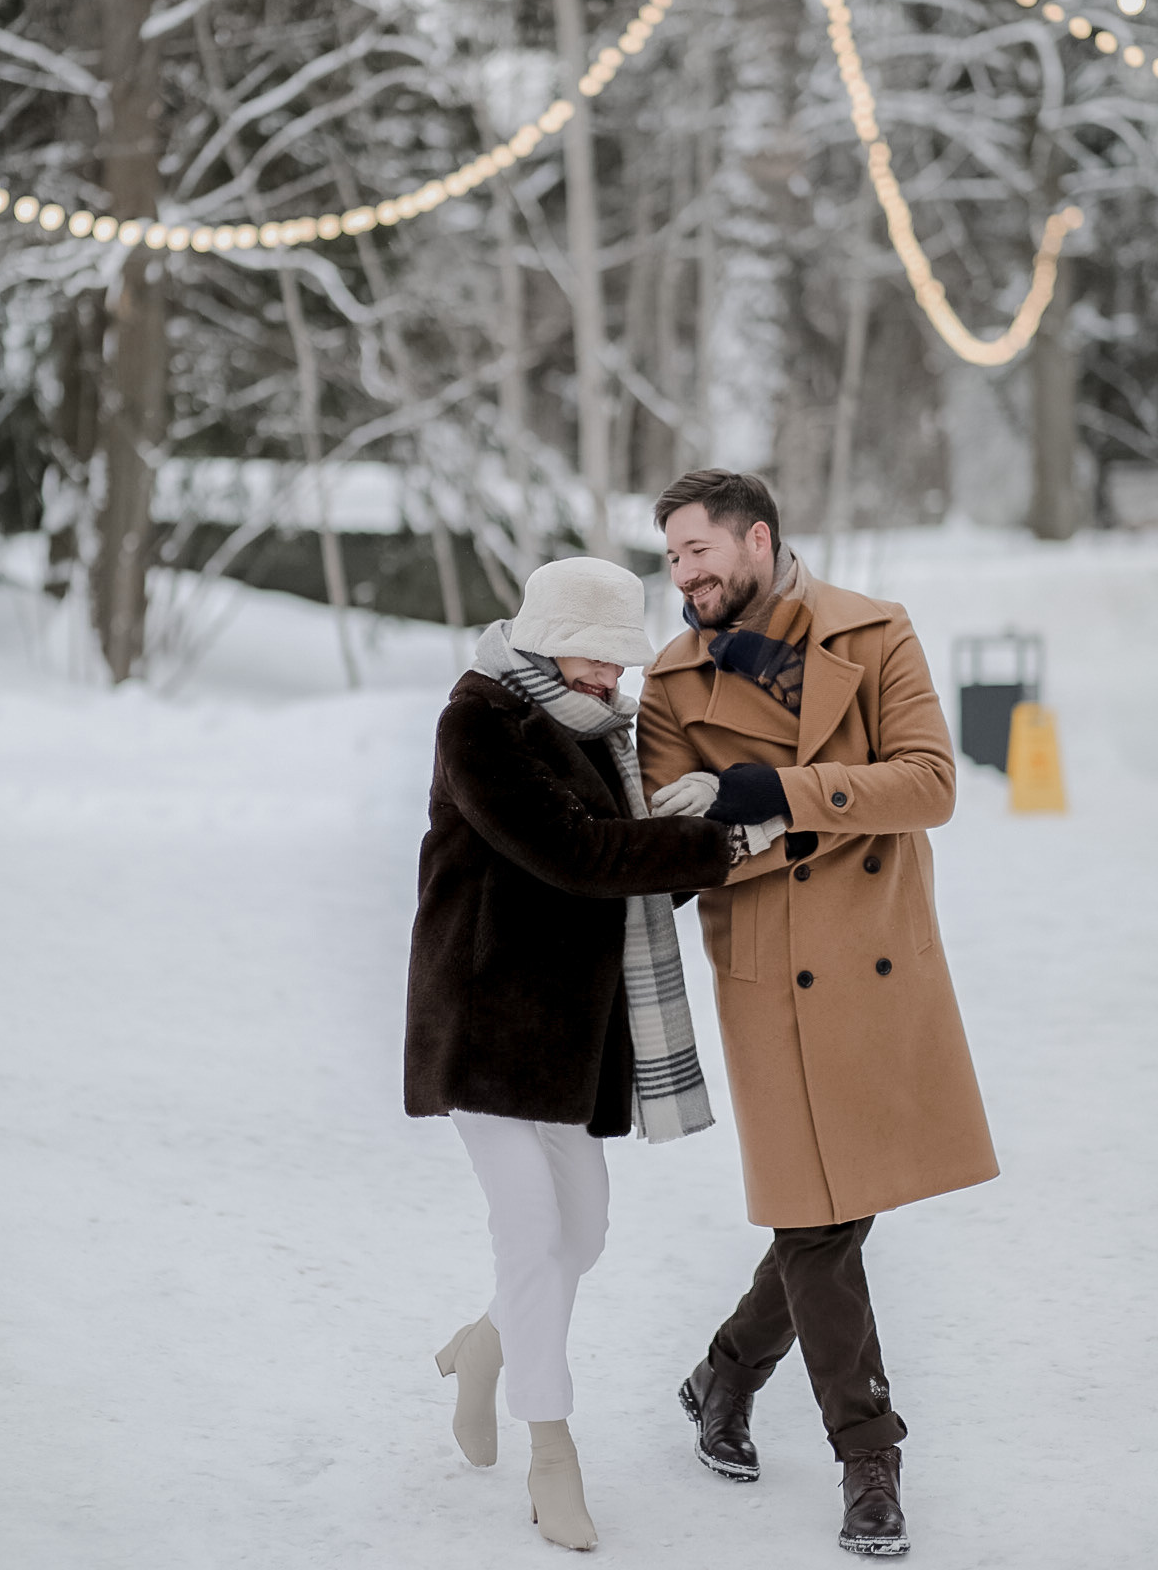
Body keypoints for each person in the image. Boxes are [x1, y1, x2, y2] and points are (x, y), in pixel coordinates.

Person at [637, 470, 999, 1558]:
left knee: (832, 1211)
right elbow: (677, 853)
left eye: (698, 551)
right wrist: (754, 824)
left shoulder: (875, 632)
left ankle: (721, 1376)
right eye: (669, 560)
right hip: (770, 974)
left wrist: (775, 797)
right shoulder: (669, 682)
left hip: (881, 959)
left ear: (756, 538)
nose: (684, 575)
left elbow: (929, 783)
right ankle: (868, 1460)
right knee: (816, 1216)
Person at [405, 556, 783, 1552]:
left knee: (581, 1236)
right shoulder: (479, 721)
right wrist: (716, 845)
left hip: (568, 1035)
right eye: (596, 659)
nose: (611, 680)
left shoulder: (599, 735)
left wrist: (692, 830)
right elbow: (574, 855)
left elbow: (622, 864)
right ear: (544, 638)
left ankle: (487, 1345)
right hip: (482, 1020)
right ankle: (552, 1453)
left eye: (620, 663)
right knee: (531, 1233)